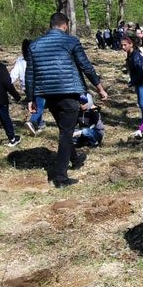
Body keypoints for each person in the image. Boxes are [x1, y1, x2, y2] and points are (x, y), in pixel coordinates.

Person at [27, 12, 108, 188]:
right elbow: (85, 66)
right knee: (66, 133)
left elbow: (30, 74)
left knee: (65, 129)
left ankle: (76, 159)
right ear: (65, 25)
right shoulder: (71, 41)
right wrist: (99, 88)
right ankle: (60, 177)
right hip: (69, 92)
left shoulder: (34, 45)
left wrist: (31, 98)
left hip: (48, 94)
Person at [120, 34, 143, 135]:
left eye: (125, 45)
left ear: (131, 44)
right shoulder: (130, 54)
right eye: (122, 45)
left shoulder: (135, 55)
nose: (123, 47)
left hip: (142, 81)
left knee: (142, 103)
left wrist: (131, 82)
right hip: (138, 81)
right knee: (141, 102)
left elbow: (140, 72)